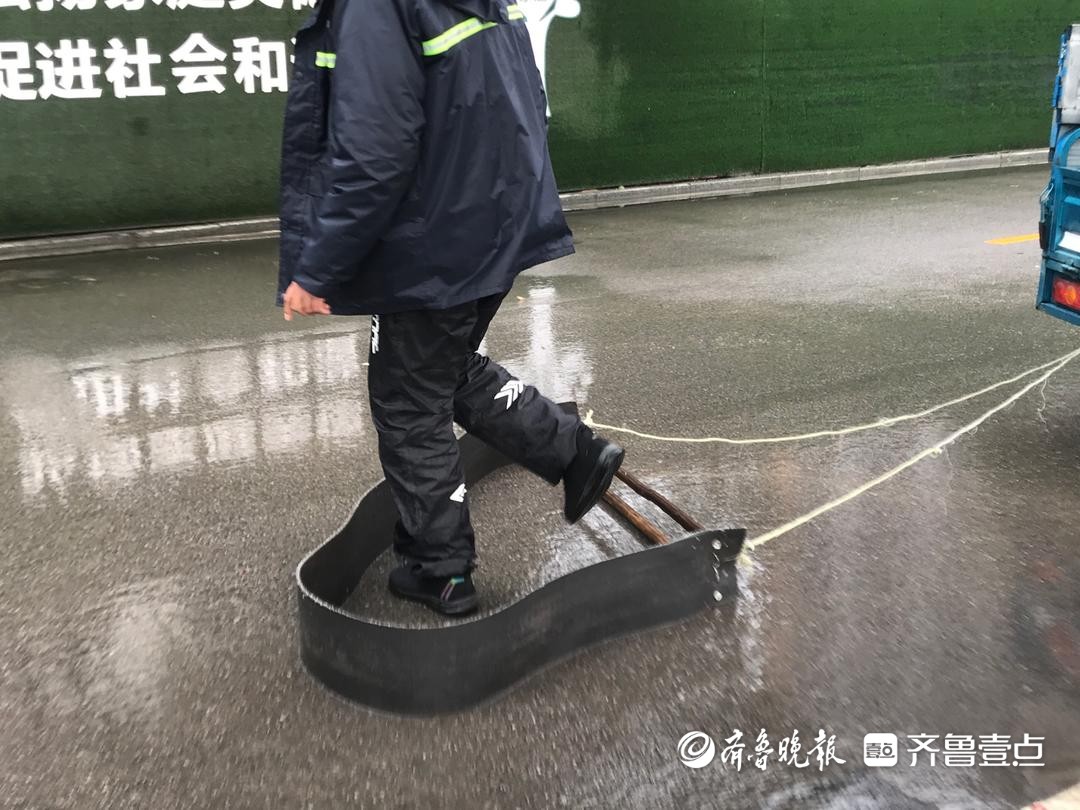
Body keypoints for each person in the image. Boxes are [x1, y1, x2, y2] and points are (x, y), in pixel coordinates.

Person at [276, 0, 623, 616]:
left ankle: (439, 570)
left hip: (433, 246)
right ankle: (573, 453)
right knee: (442, 366)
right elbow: (523, 96)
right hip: (491, 226)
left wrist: (317, 268)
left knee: (408, 403)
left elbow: (374, 151)